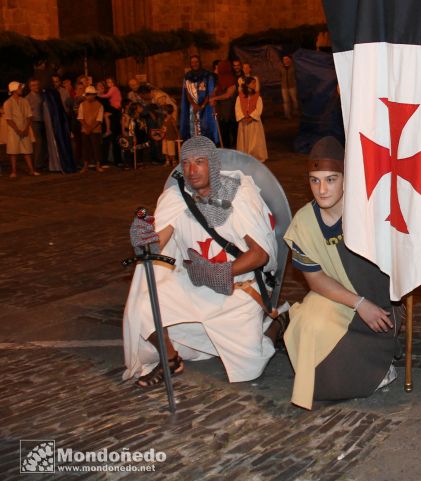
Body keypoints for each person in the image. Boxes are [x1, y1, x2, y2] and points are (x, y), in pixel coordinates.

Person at [123, 136, 279, 387]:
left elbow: (260, 254)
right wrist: (141, 238)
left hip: (237, 290)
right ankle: (171, 360)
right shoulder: (176, 199)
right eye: (185, 163)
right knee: (144, 309)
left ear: (213, 164)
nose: (191, 170)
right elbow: (154, 247)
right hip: (195, 285)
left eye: (199, 162)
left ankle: (275, 327)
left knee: (249, 367)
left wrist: (221, 271)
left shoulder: (238, 195)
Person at [283, 136, 399, 410]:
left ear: (346, 179)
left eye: (331, 179)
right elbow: (315, 279)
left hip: (379, 306)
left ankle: (378, 367)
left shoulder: (369, 214)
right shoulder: (304, 222)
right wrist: (359, 304)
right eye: (314, 180)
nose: (322, 189)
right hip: (344, 300)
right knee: (307, 322)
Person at [180, 55, 219, 144]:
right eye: (192, 62)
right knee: (193, 127)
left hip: (205, 107)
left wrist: (202, 106)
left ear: (199, 63)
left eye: (196, 62)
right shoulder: (187, 76)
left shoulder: (207, 75)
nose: (194, 64)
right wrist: (194, 105)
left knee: (205, 127)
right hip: (192, 107)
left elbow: (210, 91)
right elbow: (187, 92)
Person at [3, 81, 38, 178]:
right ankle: (13, 171)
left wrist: (26, 128)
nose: (21, 89)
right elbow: (9, 119)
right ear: (14, 90)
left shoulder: (24, 101)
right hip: (13, 130)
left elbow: (29, 116)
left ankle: (31, 170)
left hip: (24, 127)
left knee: (27, 149)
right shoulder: (8, 103)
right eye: (19, 88)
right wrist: (17, 130)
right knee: (13, 151)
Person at [235, 77, 268, 162]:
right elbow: (237, 108)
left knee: (255, 140)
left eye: (255, 83)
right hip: (244, 122)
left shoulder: (257, 97)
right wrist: (242, 118)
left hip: (254, 123)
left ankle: (256, 156)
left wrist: (252, 117)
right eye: (253, 83)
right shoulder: (240, 97)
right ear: (247, 84)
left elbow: (259, 108)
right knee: (244, 140)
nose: (255, 85)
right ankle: (245, 156)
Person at [77, 86, 105, 173]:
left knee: (96, 147)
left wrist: (90, 128)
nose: (90, 96)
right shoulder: (82, 105)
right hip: (85, 129)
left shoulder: (100, 105)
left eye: (92, 95)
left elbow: (99, 119)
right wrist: (87, 127)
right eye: (88, 95)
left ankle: (97, 165)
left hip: (95, 129)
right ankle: (85, 165)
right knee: (85, 148)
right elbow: (80, 117)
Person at [26, 79, 47, 171]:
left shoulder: (42, 95)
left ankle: (44, 161)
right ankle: (37, 164)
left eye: (37, 84)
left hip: (44, 120)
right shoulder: (28, 98)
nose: (36, 87)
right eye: (34, 85)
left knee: (45, 141)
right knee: (39, 142)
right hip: (35, 121)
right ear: (30, 87)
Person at [280, 55, 299, 119]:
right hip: (284, 87)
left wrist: (295, 82)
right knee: (286, 101)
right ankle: (287, 114)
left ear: (289, 60)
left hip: (292, 86)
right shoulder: (281, 68)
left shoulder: (293, 67)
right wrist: (282, 83)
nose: (285, 60)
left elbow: (296, 76)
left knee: (294, 100)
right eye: (284, 59)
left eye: (287, 59)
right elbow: (280, 76)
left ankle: (295, 112)